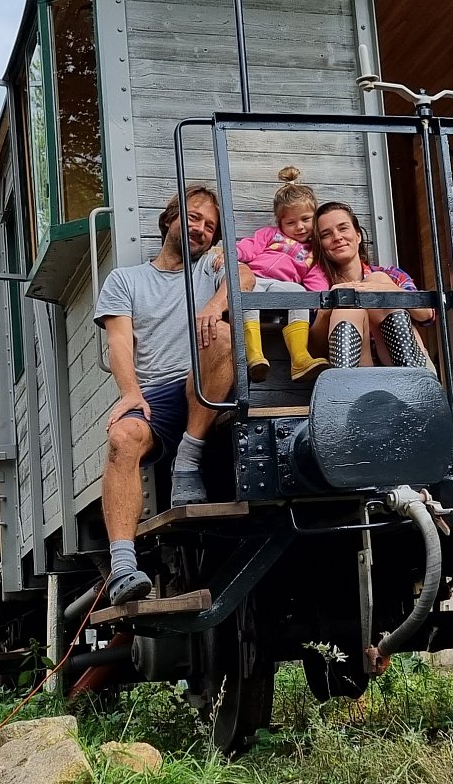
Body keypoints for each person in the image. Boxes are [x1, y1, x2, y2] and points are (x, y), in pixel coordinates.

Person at [95, 184, 256, 605]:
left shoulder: (211, 267)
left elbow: (245, 276)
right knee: (121, 438)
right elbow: (119, 344)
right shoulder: (126, 280)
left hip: (201, 384)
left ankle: (188, 459)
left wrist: (214, 305)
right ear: (170, 219)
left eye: (209, 224)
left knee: (222, 336)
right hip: (155, 393)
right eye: (193, 216)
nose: (200, 228)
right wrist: (130, 393)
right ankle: (124, 567)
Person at [230, 166, 330, 382]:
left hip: (280, 288)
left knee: (299, 292)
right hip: (255, 279)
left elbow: (316, 281)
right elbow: (249, 247)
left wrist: (318, 302)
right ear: (280, 223)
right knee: (248, 293)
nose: (300, 227)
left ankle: (300, 358)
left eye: (306, 219)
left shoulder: (314, 253)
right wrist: (232, 255)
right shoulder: (270, 235)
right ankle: (254, 355)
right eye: (291, 223)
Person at [307, 201, 435, 369]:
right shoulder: (319, 285)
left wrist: (389, 290)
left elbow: (427, 315)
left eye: (343, 228)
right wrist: (325, 311)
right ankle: (346, 385)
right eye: (326, 234)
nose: (337, 237)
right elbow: (314, 351)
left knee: (377, 280)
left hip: (409, 368)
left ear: (358, 235)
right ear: (321, 246)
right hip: (362, 376)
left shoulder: (391, 274)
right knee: (347, 306)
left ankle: (412, 378)